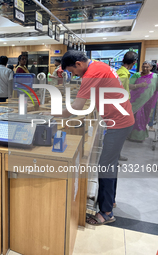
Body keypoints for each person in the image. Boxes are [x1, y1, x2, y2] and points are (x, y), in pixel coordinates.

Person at [59, 50, 134, 226]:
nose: (74, 75)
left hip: (119, 122)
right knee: (110, 163)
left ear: (78, 64)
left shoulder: (92, 73)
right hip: (120, 120)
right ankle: (110, 201)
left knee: (105, 166)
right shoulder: (98, 66)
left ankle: (106, 212)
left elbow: (77, 106)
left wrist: (54, 113)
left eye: (72, 71)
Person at [116, 51, 147, 160]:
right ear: (134, 62)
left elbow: (125, 86)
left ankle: (116, 156)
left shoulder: (122, 72)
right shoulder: (123, 74)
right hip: (120, 107)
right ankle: (113, 158)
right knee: (119, 134)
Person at [128, 61, 158, 142]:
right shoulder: (137, 75)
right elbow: (129, 85)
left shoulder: (155, 76)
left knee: (143, 119)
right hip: (136, 101)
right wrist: (139, 85)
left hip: (148, 102)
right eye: (143, 66)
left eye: (147, 67)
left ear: (151, 67)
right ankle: (131, 136)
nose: (145, 68)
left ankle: (140, 136)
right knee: (135, 118)